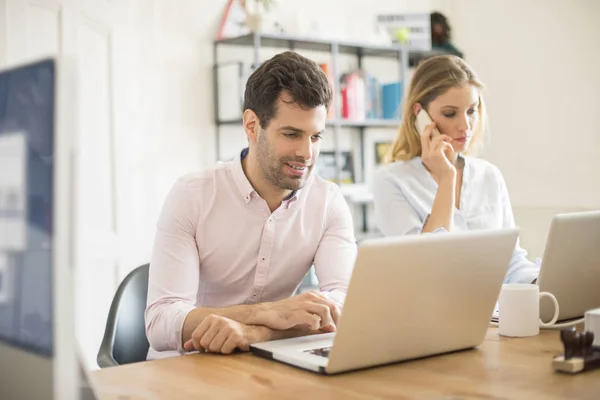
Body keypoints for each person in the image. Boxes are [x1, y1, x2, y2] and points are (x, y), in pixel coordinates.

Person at [144, 51, 357, 359]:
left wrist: (256, 333)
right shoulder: (192, 195)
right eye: (291, 134)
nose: (306, 153)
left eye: (315, 137)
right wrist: (271, 311)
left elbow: (346, 305)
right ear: (252, 125)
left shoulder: (328, 202)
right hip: (184, 370)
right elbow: (161, 323)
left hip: (269, 364)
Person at [372, 55, 538, 284]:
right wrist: (447, 178)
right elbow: (425, 266)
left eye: (472, 110)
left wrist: (539, 283)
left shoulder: (489, 175)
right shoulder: (391, 181)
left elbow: (512, 262)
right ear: (420, 114)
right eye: (450, 113)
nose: (465, 125)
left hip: (494, 315)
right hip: (433, 316)